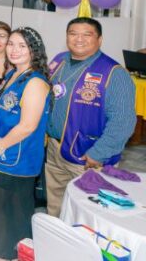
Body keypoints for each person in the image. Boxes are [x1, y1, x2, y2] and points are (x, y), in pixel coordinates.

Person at [0, 27, 51, 260]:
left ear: (34, 50)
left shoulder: (35, 82)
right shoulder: (12, 74)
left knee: (7, 221)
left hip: (18, 161)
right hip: (1, 155)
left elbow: (27, 126)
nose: (14, 50)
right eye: (11, 44)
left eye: (22, 46)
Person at [44, 17, 135, 216]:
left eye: (87, 34)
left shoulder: (114, 73)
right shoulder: (59, 60)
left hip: (87, 155)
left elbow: (123, 121)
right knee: (56, 206)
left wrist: (99, 153)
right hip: (55, 149)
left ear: (99, 40)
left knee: (86, 212)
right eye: (73, 33)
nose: (79, 39)